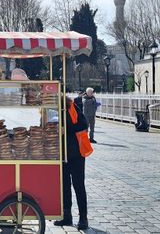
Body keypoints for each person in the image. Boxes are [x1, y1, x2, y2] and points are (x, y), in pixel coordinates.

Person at [55, 96, 89, 230]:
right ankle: (67, 216)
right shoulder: (51, 110)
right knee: (64, 186)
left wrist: (66, 129)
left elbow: (83, 124)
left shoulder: (73, 107)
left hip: (76, 154)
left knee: (78, 186)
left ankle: (83, 218)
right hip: (61, 155)